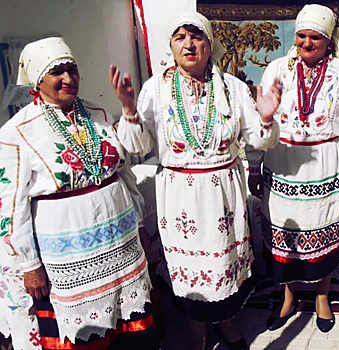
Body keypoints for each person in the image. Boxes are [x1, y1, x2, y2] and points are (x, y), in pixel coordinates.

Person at [110, 11, 281, 350]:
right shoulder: (155, 89)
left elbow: (262, 141)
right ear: (171, 46)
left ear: (210, 43)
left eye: (197, 37)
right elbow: (136, 147)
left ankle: (227, 325)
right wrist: (129, 112)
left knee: (226, 264)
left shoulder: (232, 88)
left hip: (224, 195)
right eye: (180, 38)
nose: (189, 44)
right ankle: (198, 332)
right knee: (190, 267)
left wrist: (265, 117)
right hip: (181, 197)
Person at [0, 37, 155, 349]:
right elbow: (10, 206)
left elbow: (123, 173)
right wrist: (30, 266)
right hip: (72, 253)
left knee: (130, 325)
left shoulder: (98, 115)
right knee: (88, 333)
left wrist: (139, 223)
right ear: (37, 79)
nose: (68, 78)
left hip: (122, 242)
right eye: (57, 71)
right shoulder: (17, 131)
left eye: (72, 69)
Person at [247, 4, 339, 333]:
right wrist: (256, 168)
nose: (307, 42)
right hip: (283, 161)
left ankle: (322, 297)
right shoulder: (275, 69)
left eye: (316, 37)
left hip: (327, 161)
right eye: (302, 35)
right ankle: (287, 297)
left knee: (325, 230)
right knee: (285, 235)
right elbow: (262, 121)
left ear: (329, 41)